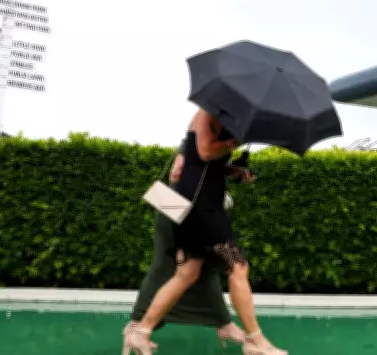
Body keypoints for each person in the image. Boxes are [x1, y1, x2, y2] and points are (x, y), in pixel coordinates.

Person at [123, 108, 287, 355]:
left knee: (188, 272)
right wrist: (235, 142)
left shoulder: (222, 117)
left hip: (202, 203)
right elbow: (205, 151)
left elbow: (203, 164)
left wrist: (235, 170)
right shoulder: (208, 113)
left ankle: (141, 331)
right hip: (200, 208)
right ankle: (255, 340)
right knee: (237, 266)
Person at [123, 138, 246, 349]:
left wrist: (231, 172)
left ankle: (224, 323)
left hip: (186, 208)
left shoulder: (217, 141)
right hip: (179, 206)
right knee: (168, 266)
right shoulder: (201, 137)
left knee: (205, 268)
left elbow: (203, 169)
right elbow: (177, 173)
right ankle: (136, 325)